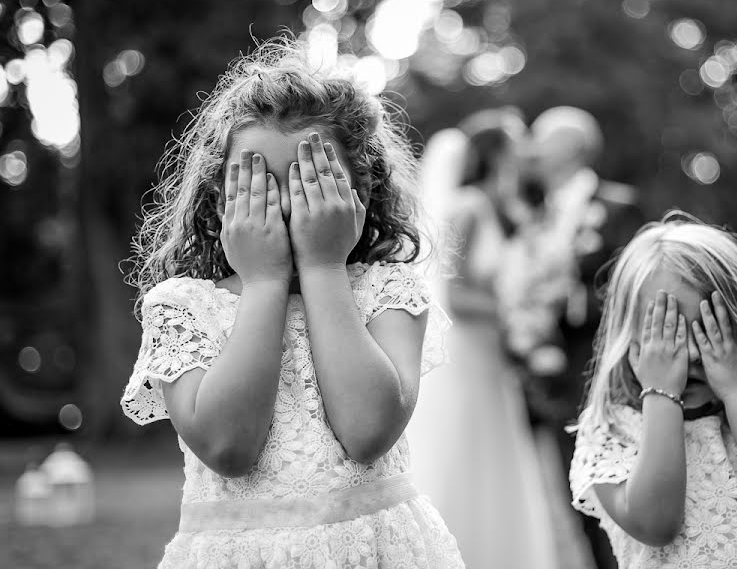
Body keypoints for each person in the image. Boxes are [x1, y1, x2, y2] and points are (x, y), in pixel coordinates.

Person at [119, 35, 464, 568]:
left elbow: (368, 431)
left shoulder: (387, 291)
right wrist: (263, 284)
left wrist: (324, 266)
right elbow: (228, 448)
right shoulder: (181, 306)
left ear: (359, 192)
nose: (280, 203)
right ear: (218, 196)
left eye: (307, 181)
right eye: (256, 183)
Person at [569, 213, 737, 568]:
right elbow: (655, 524)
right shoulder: (610, 430)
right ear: (630, 340)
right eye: (670, 336)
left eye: (710, 331)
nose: (694, 354)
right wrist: (660, 394)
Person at [406, 109, 559, 569]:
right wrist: (513, 315)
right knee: (470, 449)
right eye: (517, 139)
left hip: (492, 355)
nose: (526, 147)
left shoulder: (505, 208)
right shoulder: (468, 206)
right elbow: (453, 295)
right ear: (496, 152)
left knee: (498, 453)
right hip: (470, 352)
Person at [497, 106, 643, 567]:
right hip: (554, 375)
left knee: (618, 484)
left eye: (543, 136)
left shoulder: (618, 206)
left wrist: (572, 299)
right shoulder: (530, 214)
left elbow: (631, 290)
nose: (533, 146)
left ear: (574, 148)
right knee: (575, 491)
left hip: (606, 370)